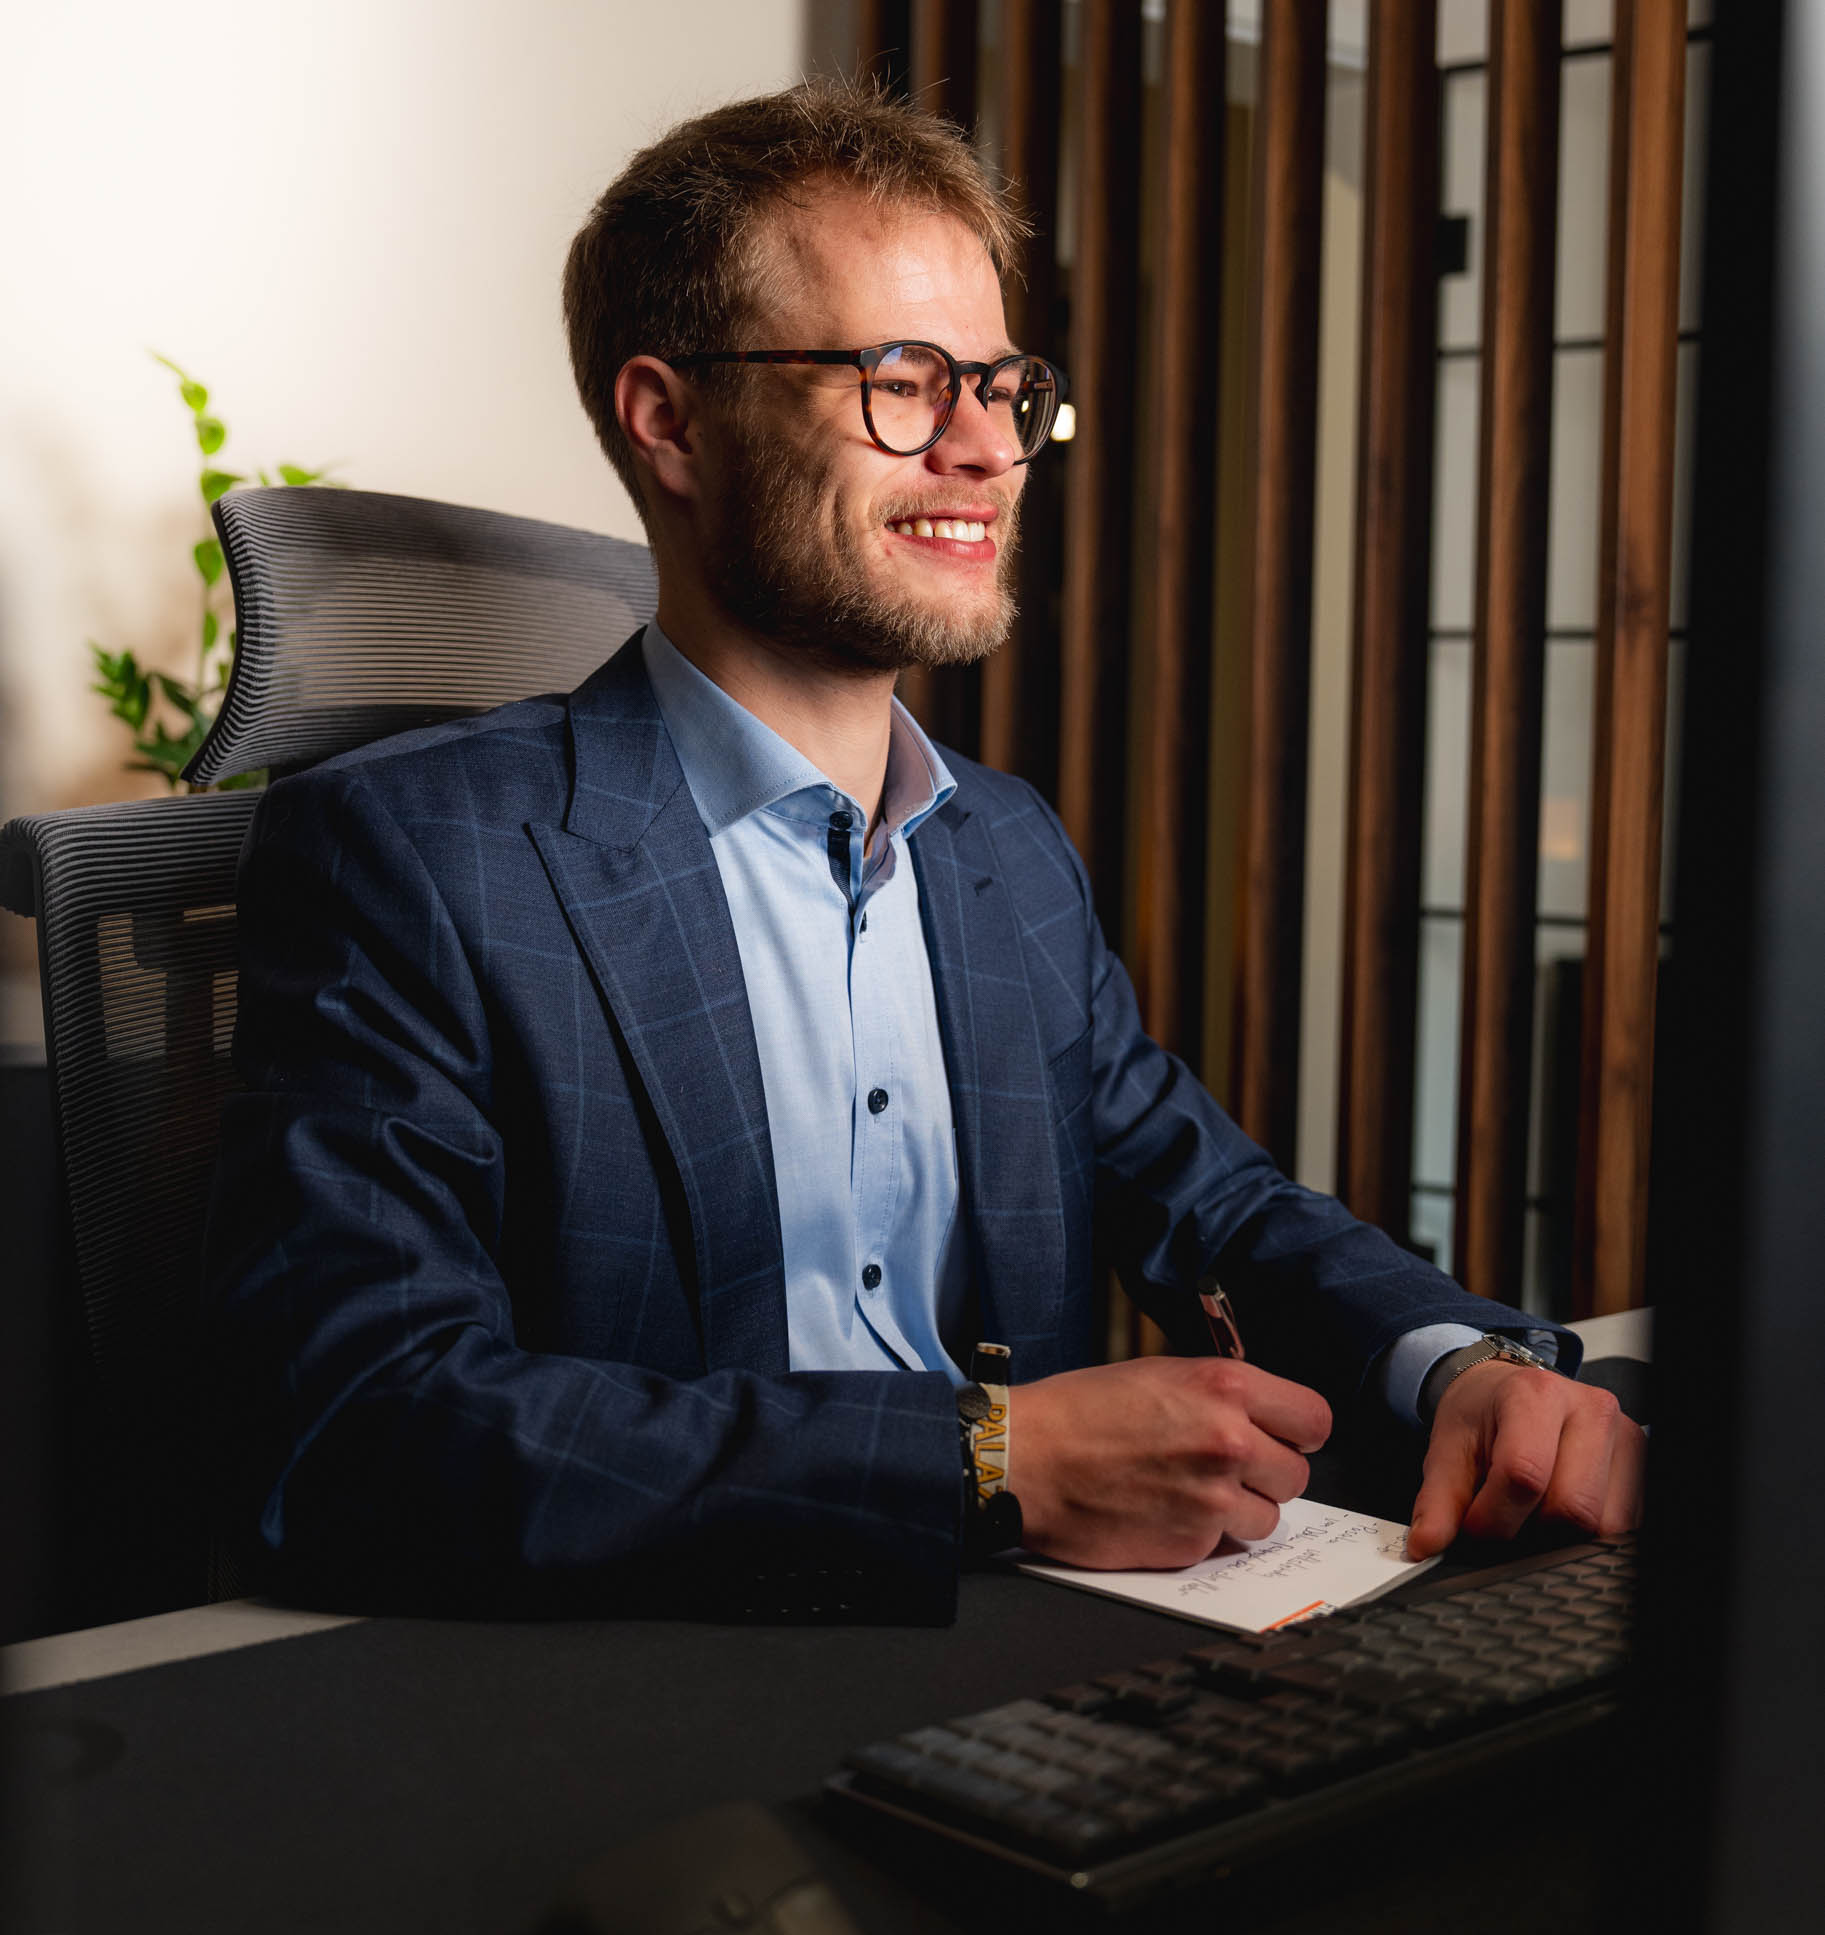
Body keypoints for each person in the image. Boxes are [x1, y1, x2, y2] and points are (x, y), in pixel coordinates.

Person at [207, 84, 1642, 1617]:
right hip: (657, 1676)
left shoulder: (1004, 851)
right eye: (901, 379)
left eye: (1004, 386)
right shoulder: (419, 852)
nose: (983, 449)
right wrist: (976, 1457)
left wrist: (1465, 1366)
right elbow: (364, 1425)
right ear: (668, 418)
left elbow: (1221, 1210)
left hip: (1043, 1650)